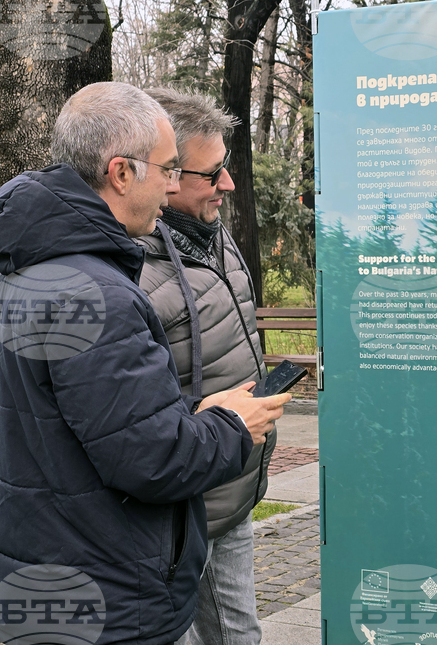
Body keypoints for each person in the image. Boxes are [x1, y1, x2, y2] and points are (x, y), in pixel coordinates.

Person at [0, 81, 289, 645]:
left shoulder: (27, 275)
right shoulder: (104, 296)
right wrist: (231, 425)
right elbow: (152, 459)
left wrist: (195, 410)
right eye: (169, 169)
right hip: (111, 590)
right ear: (122, 173)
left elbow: (85, 423)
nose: (173, 186)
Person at [136, 87, 270, 645]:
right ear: (163, 173)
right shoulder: (129, 270)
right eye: (212, 174)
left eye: (227, 168)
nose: (228, 185)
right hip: (176, 505)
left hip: (231, 482)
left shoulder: (212, 234)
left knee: (239, 632)